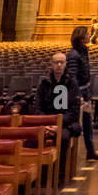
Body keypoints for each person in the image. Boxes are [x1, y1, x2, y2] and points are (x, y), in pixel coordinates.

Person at [35, 50, 81, 183]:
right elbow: (37, 107)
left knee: (64, 137)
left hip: (66, 124)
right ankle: (40, 172)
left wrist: (58, 125)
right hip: (46, 123)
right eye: (56, 62)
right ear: (51, 64)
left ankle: (59, 173)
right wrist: (46, 123)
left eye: (62, 62)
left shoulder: (72, 83)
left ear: (66, 64)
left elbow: (74, 111)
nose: (59, 65)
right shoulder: (44, 83)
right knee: (33, 137)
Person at [66, 26, 98, 160]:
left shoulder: (83, 51)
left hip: (85, 91)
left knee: (88, 122)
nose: (90, 36)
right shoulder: (73, 55)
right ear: (81, 37)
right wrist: (79, 96)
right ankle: (69, 156)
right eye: (88, 34)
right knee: (75, 124)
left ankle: (90, 151)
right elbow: (72, 77)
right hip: (78, 94)